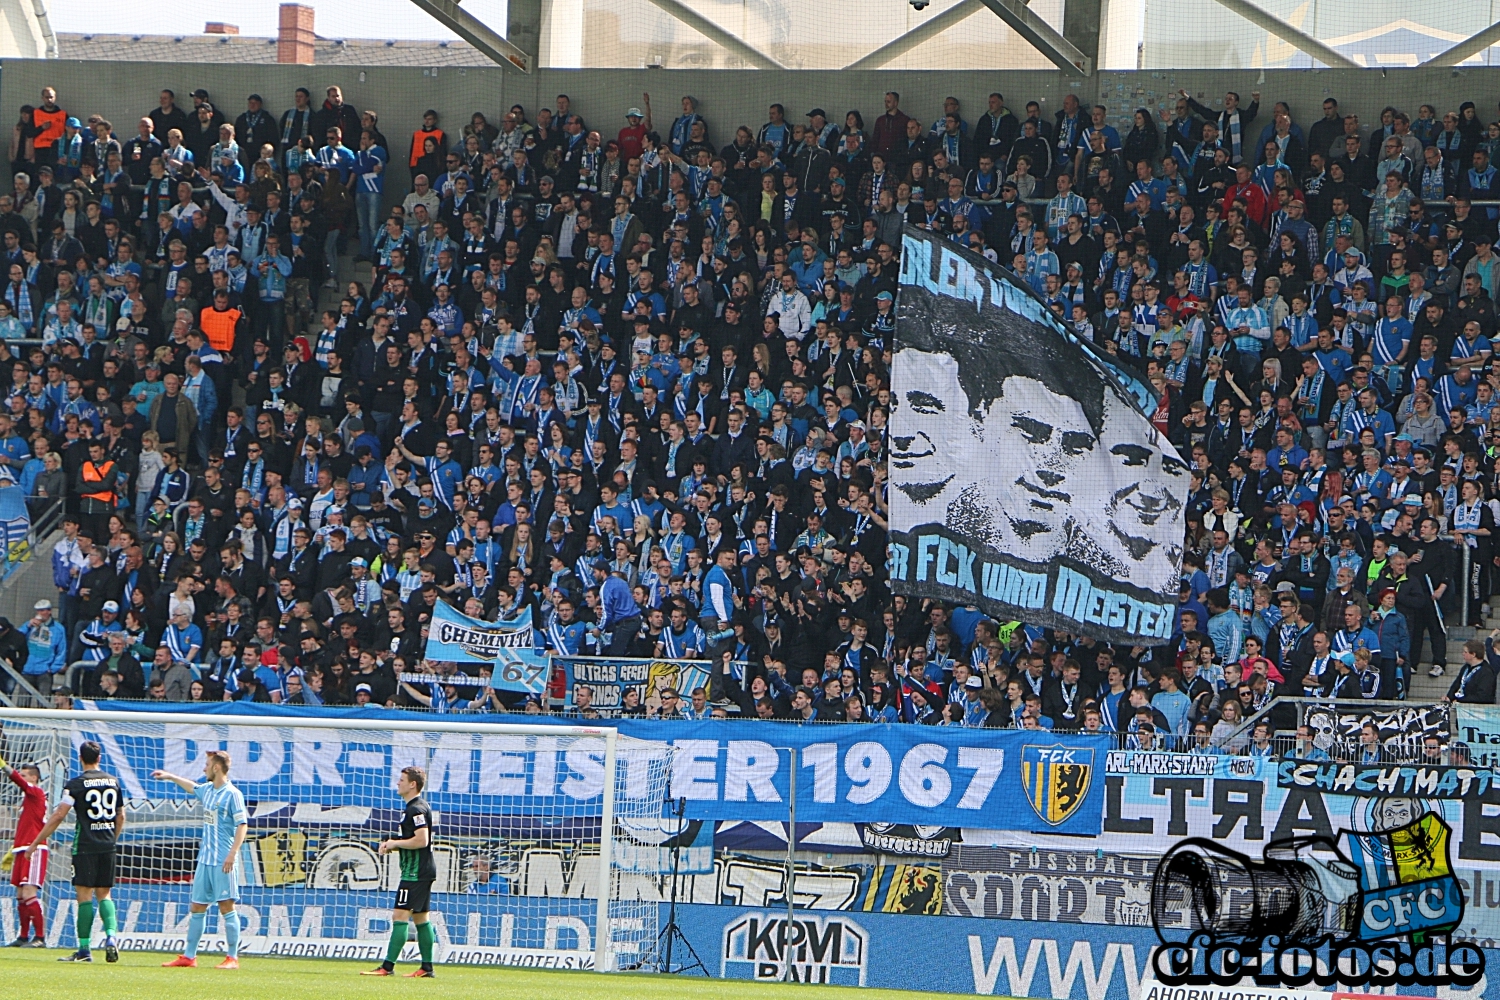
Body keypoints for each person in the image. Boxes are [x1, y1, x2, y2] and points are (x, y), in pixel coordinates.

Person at [28, 740, 123, 963]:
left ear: (81, 758)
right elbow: (121, 816)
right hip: (107, 846)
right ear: (99, 758)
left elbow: (59, 815)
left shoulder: (75, 785)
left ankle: (84, 950)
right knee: (105, 894)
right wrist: (111, 840)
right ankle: (111, 937)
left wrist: (35, 843)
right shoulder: (113, 782)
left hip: (85, 846)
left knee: (84, 896)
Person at [154, 749, 248, 970]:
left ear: (216, 767)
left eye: (207, 764)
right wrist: (170, 776)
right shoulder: (208, 790)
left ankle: (232, 958)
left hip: (223, 860)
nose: (204, 768)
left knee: (226, 906)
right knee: (197, 906)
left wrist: (232, 853)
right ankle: (189, 956)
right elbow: (192, 786)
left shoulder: (232, 794)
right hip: (204, 860)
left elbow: (242, 825)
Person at [363, 766, 437, 978]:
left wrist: (395, 842)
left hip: (415, 873)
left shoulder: (416, 808)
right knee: (421, 918)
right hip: (421, 870)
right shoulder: (414, 808)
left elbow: (422, 840)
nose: (398, 783)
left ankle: (387, 967)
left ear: (412, 784)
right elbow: (415, 841)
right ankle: (427, 968)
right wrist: (393, 846)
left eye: (402, 779)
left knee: (400, 915)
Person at [2, 751, 47, 947]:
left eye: (26, 774)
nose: (22, 776)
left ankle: (40, 937)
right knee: (20, 895)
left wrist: (3, 765)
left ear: (34, 778)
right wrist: (13, 850)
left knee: (29, 893)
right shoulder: (27, 800)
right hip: (22, 849)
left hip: (34, 850)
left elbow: (18, 780)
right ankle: (23, 936)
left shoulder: (36, 792)